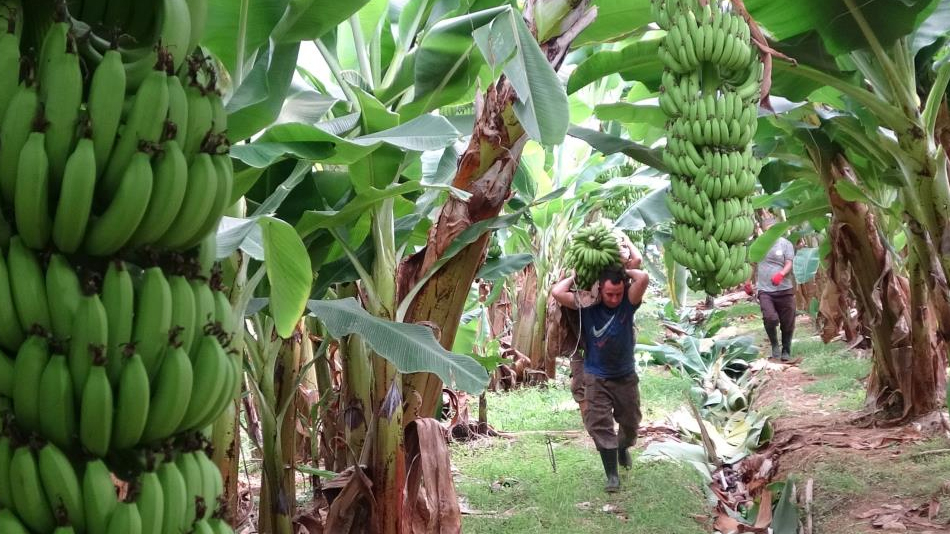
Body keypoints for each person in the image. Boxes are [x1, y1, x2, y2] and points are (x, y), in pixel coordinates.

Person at [552, 242, 649, 493]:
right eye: (609, 294)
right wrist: (574, 276)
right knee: (600, 424)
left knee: (631, 422)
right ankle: (612, 476)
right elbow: (557, 292)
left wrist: (624, 271)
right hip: (596, 376)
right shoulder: (588, 306)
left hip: (625, 376)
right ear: (599, 290)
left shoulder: (629, 302)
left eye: (617, 293)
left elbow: (643, 276)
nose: (614, 299)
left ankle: (623, 447)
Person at [744, 219, 796, 360]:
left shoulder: (786, 244)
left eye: (773, 229)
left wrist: (781, 274)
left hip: (785, 289)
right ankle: (774, 344)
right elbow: (753, 265)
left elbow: (789, 262)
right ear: (763, 230)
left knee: (788, 322)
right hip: (765, 290)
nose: (770, 232)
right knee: (770, 318)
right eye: (768, 229)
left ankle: (786, 349)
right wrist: (748, 282)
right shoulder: (759, 245)